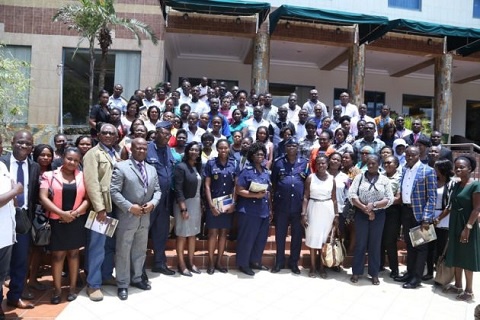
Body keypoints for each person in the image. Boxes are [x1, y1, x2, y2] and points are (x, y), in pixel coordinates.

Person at [110, 138, 161, 300]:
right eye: (138, 148)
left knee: (139, 250)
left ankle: (137, 278)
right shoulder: (121, 166)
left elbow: (158, 191)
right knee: (123, 251)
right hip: (127, 217)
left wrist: (153, 204)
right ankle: (123, 283)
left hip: (145, 217)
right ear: (131, 149)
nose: (141, 151)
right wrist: (129, 206)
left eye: (144, 148)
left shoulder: (152, 169)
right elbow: (114, 192)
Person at [39, 148, 90, 304]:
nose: (72, 162)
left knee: (74, 255)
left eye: (75, 160)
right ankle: (57, 290)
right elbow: (43, 197)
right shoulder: (49, 175)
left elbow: (88, 199)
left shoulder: (83, 176)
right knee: (57, 256)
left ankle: (73, 288)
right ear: (63, 158)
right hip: (56, 220)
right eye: (69, 158)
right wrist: (61, 213)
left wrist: (73, 214)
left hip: (76, 221)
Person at [0, 130, 40, 310]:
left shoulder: (34, 166)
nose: (24, 146)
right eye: (20, 142)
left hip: (22, 219)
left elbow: (34, 194)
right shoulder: (2, 163)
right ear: (12, 142)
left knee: (20, 260)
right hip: (3, 218)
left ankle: (15, 296)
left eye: (28, 144)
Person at [83, 123, 120, 301]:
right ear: (98, 135)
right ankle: (93, 284)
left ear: (115, 137)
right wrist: (99, 208)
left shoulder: (115, 153)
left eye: (111, 133)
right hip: (101, 209)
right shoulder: (93, 154)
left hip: (114, 207)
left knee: (109, 245)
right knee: (97, 246)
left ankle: (106, 275)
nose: (107, 135)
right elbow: (92, 183)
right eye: (104, 133)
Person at [395, 146, 437, 289]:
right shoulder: (405, 169)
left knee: (420, 247)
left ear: (420, 154)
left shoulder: (428, 171)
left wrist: (426, 218)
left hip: (421, 215)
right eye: (407, 155)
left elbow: (432, 197)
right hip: (406, 212)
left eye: (413, 155)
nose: (409, 157)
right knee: (410, 245)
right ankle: (410, 273)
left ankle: (416, 278)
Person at [349, 154, 394, 285]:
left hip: (379, 215)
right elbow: (352, 194)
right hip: (361, 213)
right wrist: (365, 208)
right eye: (368, 163)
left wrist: (373, 206)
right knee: (361, 243)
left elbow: (389, 198)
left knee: (375, 244)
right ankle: (356, 272)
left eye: (374, 163)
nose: (371, 165)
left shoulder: (384, 180)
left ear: (379, 164)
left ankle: (374, 273)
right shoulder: (359, 177)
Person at [444, 155, 480, 301]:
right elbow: (452, 205)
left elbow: (477, 209)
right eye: (456, 167)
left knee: (467, 258)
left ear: (470, 169)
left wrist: (468, 228)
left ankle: (469, 290)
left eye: (462, 167)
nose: (458, 169)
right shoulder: (458, 184)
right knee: (456, 254)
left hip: (467, 224)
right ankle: (458, 285)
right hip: (455, 223)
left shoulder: (476, 185)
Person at [235, 142, 272, 276]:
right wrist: (254, 195)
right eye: (257, 154)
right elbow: (239, 190)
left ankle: (255, 261)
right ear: (252, 156)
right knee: (247, 238)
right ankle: (243, 264)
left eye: (262, 154)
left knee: (260, 239)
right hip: (249, 210)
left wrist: (270, 210)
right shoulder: (246, 171)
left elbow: (268, 192)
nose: (260, 156)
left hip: (263, 210)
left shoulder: (266, 172)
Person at [271, 138, 308, 274]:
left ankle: (294, 262)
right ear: (285, 148)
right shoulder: (278, 162)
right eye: (289, 146)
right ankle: (279, 262)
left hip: (298, 207)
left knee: (297, 236)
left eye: (294, 145)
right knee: (280, 235)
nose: (291, 148)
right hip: (282, 206)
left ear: (297, 147)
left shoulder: (305, 163)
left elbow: (307, 183)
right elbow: (274, 183)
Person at [146, 121, 176, 276]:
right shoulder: (146, 148)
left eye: (169, 135)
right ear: (156, 133)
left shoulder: (169, 150)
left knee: (161, 233)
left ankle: (159, 263)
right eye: (164, 134)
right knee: (143, 234)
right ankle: (137, 268)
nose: (166, 137)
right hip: (149, 200)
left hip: (165, 201)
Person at [302, 154, 338, 278]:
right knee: (313, 238)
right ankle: (312, 267)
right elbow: (306, 197)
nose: (321, 165)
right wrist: (304, 214)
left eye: (323, 163)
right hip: (313, 208)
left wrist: (336, 215)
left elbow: (334, 199)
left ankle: (321, 266)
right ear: (315, 165)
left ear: (327, 164)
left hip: (327, 210)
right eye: (319, 163)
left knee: (323, 240)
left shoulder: (331, 179)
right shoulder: (310, 178)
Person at [204, 139, 237, 274]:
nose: (223, 150)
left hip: (227, 205)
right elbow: (207, 185)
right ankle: (211, 262)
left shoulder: (234, 163)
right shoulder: (211, 163)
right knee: (212, 234)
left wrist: (233, 203)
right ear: (217, 149)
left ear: (229, 149)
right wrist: (211, 205)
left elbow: (236, 185)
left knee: (223, 233)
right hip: (214, 205)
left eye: (225, 148)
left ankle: (219, 262)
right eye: (220, 148)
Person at [26, 144, 54, 294]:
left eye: (48, 155)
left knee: (39, 249)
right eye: (42, 154)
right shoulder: (30, 169)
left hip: (46, 215)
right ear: (36, 155)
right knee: (27, 250)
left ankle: (33, 279)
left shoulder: (54, 172)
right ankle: (22, 281)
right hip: (31, 214)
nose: (45, 158)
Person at [173, 142, 203, 277]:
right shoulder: (181, 167)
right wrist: (183, 209)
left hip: (196, 203)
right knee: (182, 235)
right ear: (187, 151)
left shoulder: (198, 167)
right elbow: (178, 189)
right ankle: (181, 264)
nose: (194, 152)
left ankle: (191, 262)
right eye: (192, 149)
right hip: (184, 204)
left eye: (197, 150)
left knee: (193, 234)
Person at [424, 159, 454, 281]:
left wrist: (439, 218)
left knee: (440, 247)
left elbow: (450, 205)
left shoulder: (451, 184)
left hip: (444, 218)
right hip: (429, 216)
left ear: (443, 170)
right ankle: (429, 272)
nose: (434, 170)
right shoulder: (432, 182)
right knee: (428, 246)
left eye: (436, 168)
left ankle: (439, 274)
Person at [0, 160, 24, 319]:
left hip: (6, 233)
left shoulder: (2, 166)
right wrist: (15, 191)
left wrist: (14, 196)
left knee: (1, 275)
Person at [380, 155, 402, 278]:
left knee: (390, 241)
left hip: (393, 211)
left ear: (396, 165)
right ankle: (379, 264)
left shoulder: (400, 178)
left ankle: (394, 269)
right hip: (379, 211)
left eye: (389, 162)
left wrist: (383, 201)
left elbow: (399, 199)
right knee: (379, 239)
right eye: (385, 163)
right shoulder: (380, 176)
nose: (386, 164)